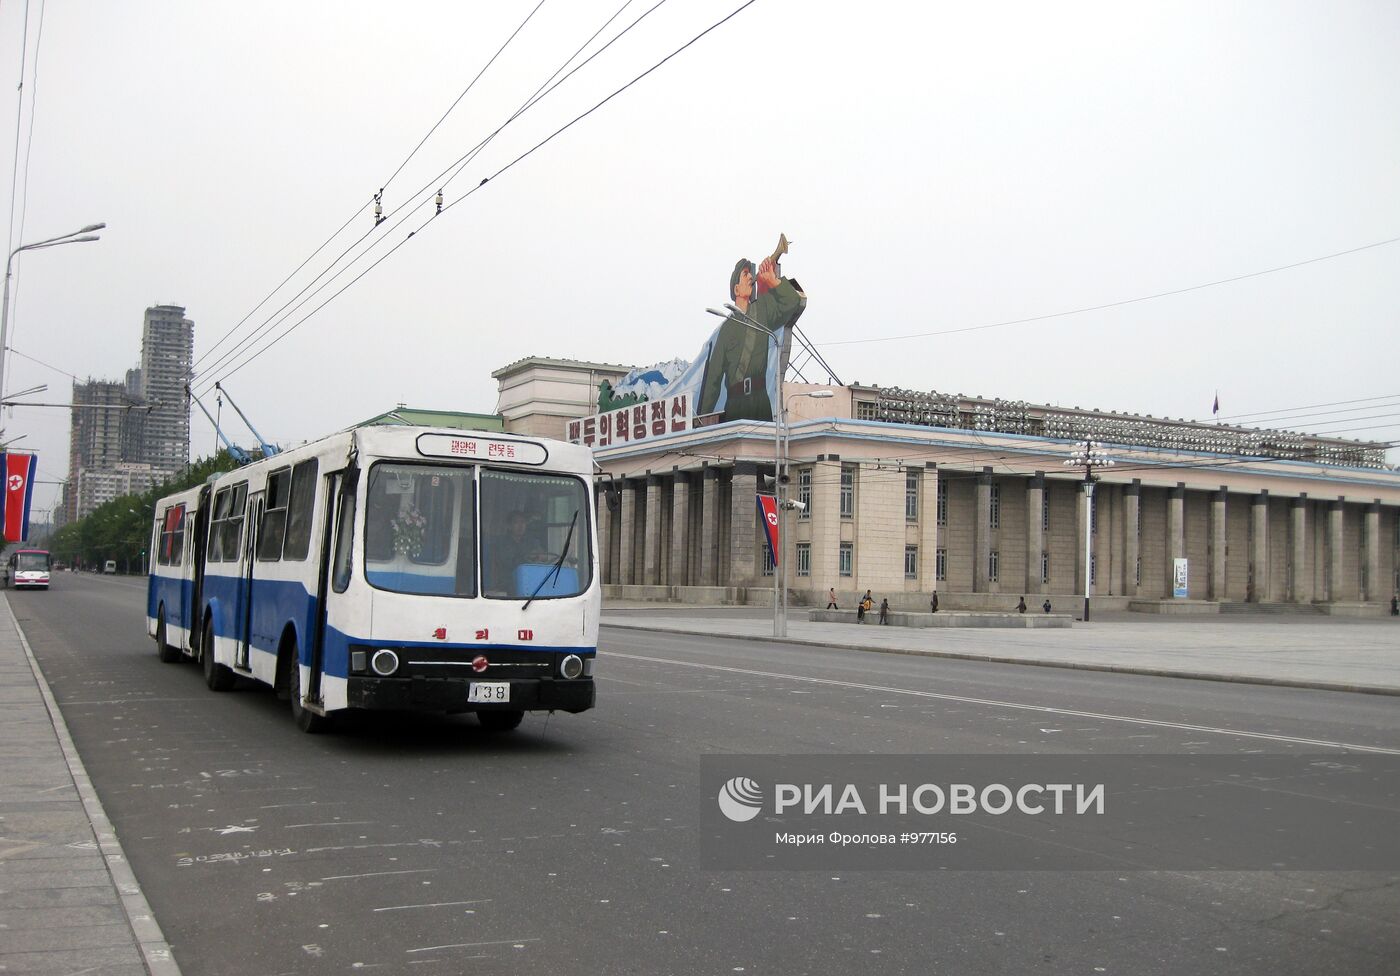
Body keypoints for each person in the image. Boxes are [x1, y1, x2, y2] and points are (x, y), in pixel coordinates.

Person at [696, 235, 807, 422]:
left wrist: (772, 281)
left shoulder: (762, 309)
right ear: (736, 290)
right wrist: (701, 422)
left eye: (750, 273)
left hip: (761, 399)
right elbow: (713, 381)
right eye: (745, 274)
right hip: (735, 404)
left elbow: (793, 302)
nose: (750, 277)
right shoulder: (727, 328)